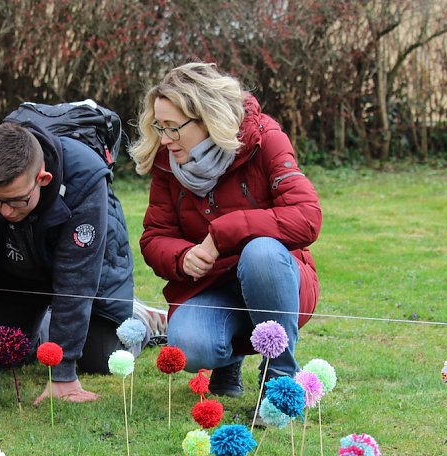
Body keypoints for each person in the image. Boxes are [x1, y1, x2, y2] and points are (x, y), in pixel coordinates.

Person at [130, 62, 322, 399]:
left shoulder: (266, 140)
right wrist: (182, 256)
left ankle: (279, 379)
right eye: (159, 126)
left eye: (173, 128)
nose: (164, 139)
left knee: (260, 252)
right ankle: (227, 361)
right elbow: (154, 236)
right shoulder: (167, 162)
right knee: (189, 345)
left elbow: (307, 216)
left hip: (278, 279)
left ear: (206, 119)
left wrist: (224, 232)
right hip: (212, 286)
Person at [0, 121, 162, 405]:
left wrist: (63, 371)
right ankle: (43, 323)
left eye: (17, 200)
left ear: (42, 178)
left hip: (89, 267)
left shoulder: (85, 178)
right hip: (13, 268)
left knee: (102, 357)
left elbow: (76, 281)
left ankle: (142, 316)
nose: (5, 211)